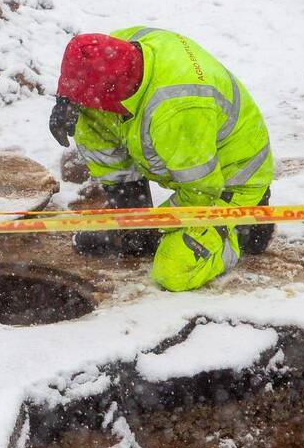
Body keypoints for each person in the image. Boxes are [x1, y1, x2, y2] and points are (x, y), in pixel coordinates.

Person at [49, 27, 274, 292]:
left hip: (229, 182)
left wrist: (159, 225)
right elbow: (86, 64)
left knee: (172, 271)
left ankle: (243, 233)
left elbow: (201, 190)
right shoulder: (119, 48)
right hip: (189, 159)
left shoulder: (178, 109)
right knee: (89, 120)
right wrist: (68, 97)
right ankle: (133, 222)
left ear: (113, 89)